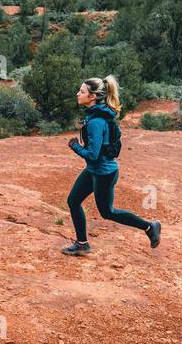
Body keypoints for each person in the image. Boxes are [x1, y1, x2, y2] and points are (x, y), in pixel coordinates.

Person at [62, 76, 160, 256]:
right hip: (95, 170)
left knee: (108, 212)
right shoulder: (97, 115)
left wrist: (75, 146)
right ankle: (82, 244)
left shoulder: (96, 122)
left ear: (92, 97)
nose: (78, 93)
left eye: (82, 91)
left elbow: (93, 155)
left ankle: (149, 226)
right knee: (73, 200)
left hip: (103, 174)